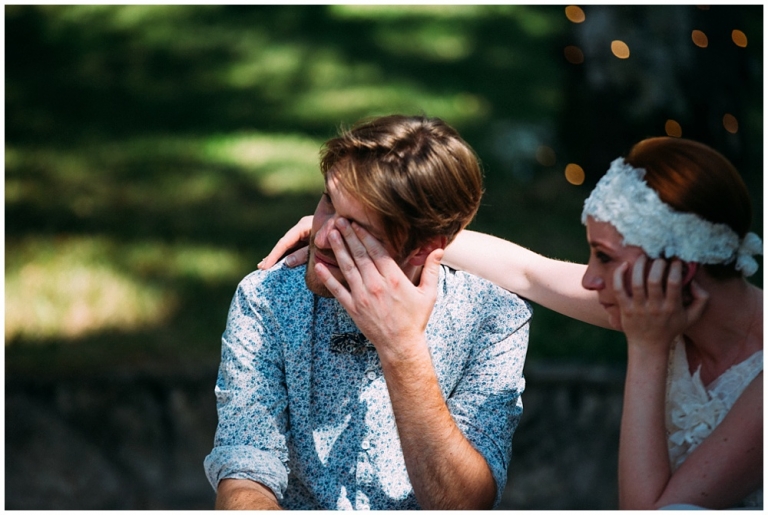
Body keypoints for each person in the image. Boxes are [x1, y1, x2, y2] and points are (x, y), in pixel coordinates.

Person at [261, 136, 762, 510]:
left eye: (605, 259)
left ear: (680, 269)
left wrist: (648, 348)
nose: (589, 281)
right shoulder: (657, 298)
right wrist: (361, 226)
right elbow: (529, 272)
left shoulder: (665, 329)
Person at [205, 114, 532, 510]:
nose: (321, 235)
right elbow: (245, 474)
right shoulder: (267, 298)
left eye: (358, 228)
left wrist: (402, 348)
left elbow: (465, 505)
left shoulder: (493, 317)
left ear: (424, 248)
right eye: (328, 201)